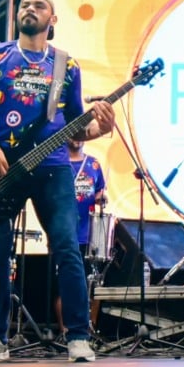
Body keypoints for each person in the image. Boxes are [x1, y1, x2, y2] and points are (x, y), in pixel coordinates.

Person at [0, 0, 115, 363]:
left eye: (39, 5)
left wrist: (101, 129)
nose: (30, 8)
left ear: (52, 20)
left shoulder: (66, 65)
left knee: (67, 249)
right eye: (25, 4)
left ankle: (78, 337)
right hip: (1, 168)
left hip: (53, 168)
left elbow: (76, 127)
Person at [53, 138, 107, 334]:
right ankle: (64, 332)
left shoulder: (94, 164)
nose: (76, 138)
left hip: (88, 236)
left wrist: (102, 198)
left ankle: (88, 331)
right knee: (64, 286)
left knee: (92, 285)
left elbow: (100, 192)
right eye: (73, 134)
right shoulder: (58, 163)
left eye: (80, 134)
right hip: (64, 234)